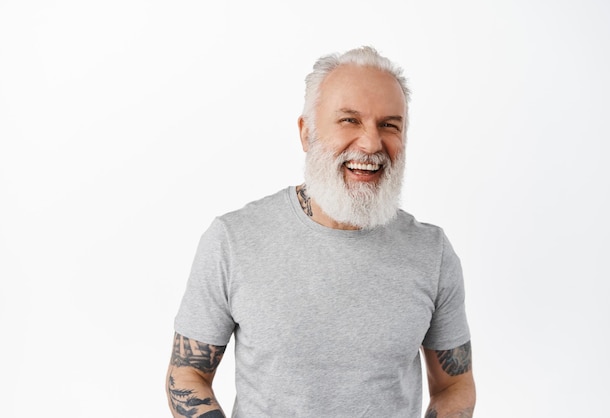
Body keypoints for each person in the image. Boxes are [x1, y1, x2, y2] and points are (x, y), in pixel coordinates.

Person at [166, 46, 476, 418]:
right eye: (349, 120)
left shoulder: (432, 251)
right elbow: (188, 374)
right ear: (306, 132)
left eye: (389, 125)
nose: (371, 143)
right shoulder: (232, 239)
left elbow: (454, 386)